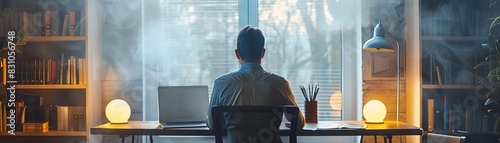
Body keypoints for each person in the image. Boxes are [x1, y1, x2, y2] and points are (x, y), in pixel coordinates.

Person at [206, 25, 305, 143]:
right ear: (262, 53)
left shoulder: (221, 84)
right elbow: (298, 123)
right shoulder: (280, 84)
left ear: (237, 54)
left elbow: (212, 124)